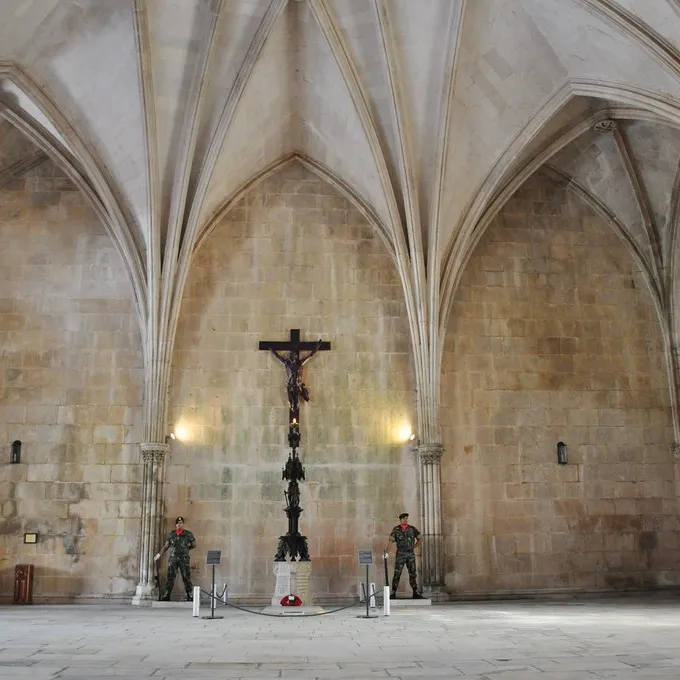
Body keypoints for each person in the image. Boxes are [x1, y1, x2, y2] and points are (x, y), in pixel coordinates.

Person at [155, 516, 196, 601]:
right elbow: (166, 546)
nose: (179, 525)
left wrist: (186, 549)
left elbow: (194, 545)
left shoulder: (188, 534)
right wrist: (159, 554)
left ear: (183, 524)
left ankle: (190, 594)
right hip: (173, 559)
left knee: (186, 576)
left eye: (180, 523)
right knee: (170, 576)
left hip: (184, 559)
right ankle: (167, 594)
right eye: (177, 523)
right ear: (175, 524)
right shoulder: (172, 534)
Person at [384, 512, 423, 599]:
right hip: (400, 555)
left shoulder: (412, 529)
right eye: (404, 518)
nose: (405, 520)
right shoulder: (396, 529)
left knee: (412, 573)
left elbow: (420, 538)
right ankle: (393, 592)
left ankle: (415, 592)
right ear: (400, 520)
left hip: (410, 555)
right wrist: (386, 552)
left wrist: (414, 546)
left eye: (406, 518)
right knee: (397, 574)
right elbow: (390, 541)